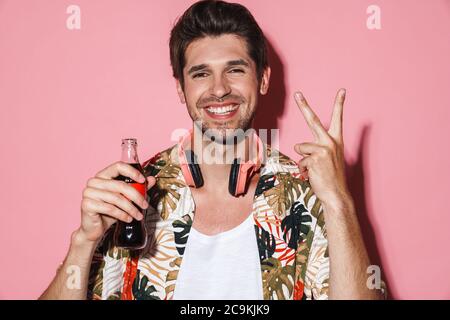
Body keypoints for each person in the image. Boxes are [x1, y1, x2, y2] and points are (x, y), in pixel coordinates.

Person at [39, 0, 385, 300]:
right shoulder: (130, 196)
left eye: (235, 70)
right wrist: (84, 240)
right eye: (201, 74)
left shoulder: (304, 193)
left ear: (263, 79)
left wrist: (340, 201)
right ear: (181, 89)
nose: (219, 90)